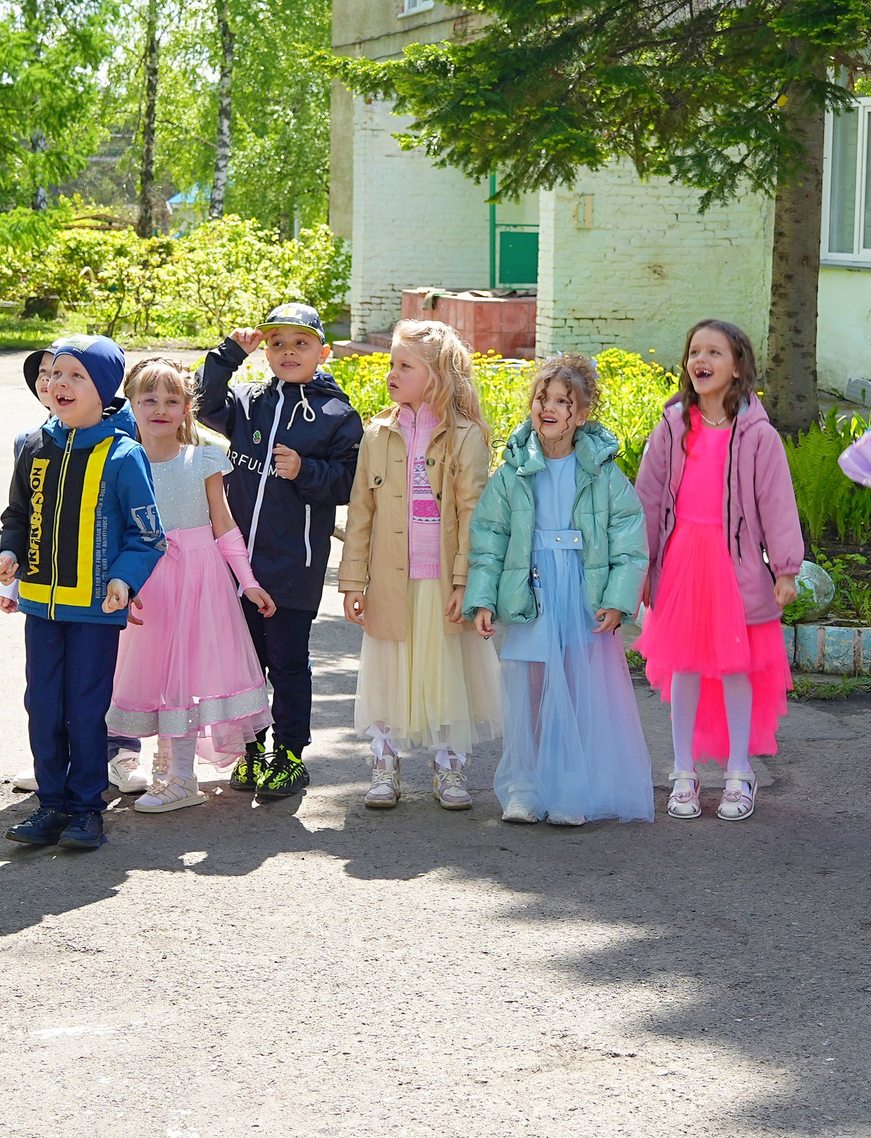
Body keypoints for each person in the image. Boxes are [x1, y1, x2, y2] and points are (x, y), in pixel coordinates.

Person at [0, 337, 165, 851]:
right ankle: (50, 804)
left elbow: (148, 535)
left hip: (94, 609)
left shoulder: (123, 454)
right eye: (55, 374)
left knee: (85, 708)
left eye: (75, 376)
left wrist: (124, 579)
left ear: (104, 389)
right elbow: (16, 516)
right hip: (40, 604)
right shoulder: (33, 447)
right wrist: (8, 554)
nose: (59, 384)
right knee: (42, 704)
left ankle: (87, 807)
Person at [466, 353, 652, 826]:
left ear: (582, 414)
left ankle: (572, 786)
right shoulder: (513, 473)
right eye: (541, 398)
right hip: (532, 591)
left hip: (580, 591)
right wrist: (483, 597)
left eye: (562, 401)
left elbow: (629, 539)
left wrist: (617, 597)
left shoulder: (602, 472)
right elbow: (490, 539)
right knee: (531, 690)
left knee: (574, 687)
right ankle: (527, 786)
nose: (547, 408)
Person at [636, 319, 804, 823]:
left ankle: (738, 769)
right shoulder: (671, 426)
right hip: (683, 560)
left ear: (737, 368)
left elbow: (778, 504)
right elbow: (646, 499)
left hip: (736, 566)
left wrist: (787, 569)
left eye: (714, 352)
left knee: (736, 666)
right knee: (684, 664)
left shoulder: (759, 434)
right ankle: (683, 771)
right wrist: (641, 565)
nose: (700, 360)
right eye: (693, 351)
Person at [198, 303, 362, 798]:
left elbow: (350, 482)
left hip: (295, 565)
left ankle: (289, 755)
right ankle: (251, 750)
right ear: (264, 351)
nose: (288, 352)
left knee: (287, 661)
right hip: (238, 563)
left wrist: (306, 471)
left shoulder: (337, 415)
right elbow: (204, 404)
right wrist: (229, 355)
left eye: (301, 343)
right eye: (276, 343)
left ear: (323, 352)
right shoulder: (247, 402)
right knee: (243, 661)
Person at [340, 319, 502, 809]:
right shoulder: (377, 434)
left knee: (446, 676)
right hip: (392, 580)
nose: (392, 373)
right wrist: (353, 580)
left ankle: (449, 765)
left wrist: (465, 582)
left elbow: (474, 512)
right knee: (389, 673)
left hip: (441, 583)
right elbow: (361, 513)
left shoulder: (465, 436)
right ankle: (384, 763)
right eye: (392, 363)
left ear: (435, 376)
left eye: (404, 365)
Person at [105, 356, 273, 814]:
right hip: (148, 579)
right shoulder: (119, 460)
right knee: (156, 674)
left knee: (184, 678)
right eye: (149, 399)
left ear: (187, 407)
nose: (160, 408)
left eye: (172, 400)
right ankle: (163, 769)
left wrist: (248, 580)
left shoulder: (203, 458)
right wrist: (120, 582)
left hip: (199, 578)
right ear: (132, 405)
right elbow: (113, 525)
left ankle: (181, 778)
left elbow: (224, 523)